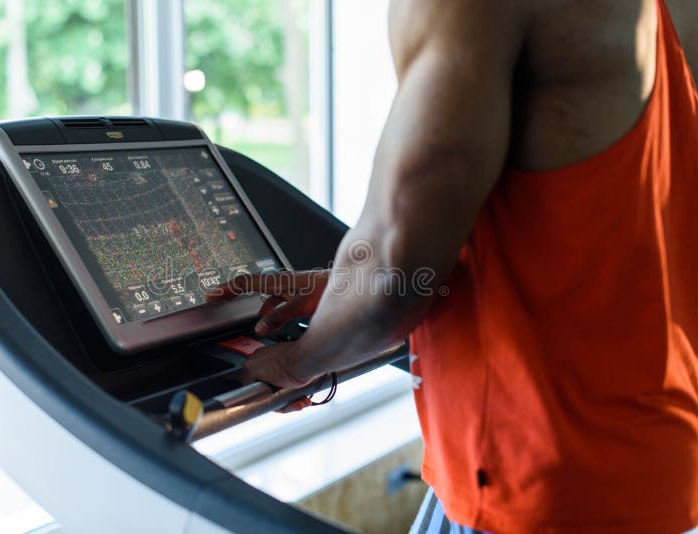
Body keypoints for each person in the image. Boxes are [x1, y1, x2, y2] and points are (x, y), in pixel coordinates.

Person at [208, 0, 698, 531]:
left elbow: (395, 272)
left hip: (540, 479)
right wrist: (343, 287)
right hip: (651, 459)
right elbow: (585, 234)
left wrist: (295, 362)